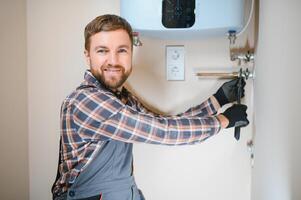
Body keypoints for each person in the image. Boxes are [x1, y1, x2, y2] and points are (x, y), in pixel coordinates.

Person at [52, 14, 249, 200]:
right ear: (88, 56)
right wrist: (224, 120)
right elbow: (164, 132)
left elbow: (163, 123)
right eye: (102, 50)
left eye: (121, 50)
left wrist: (218, 99)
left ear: (131, 53)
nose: (113, 60)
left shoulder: (121, 98)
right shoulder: (87, 101)